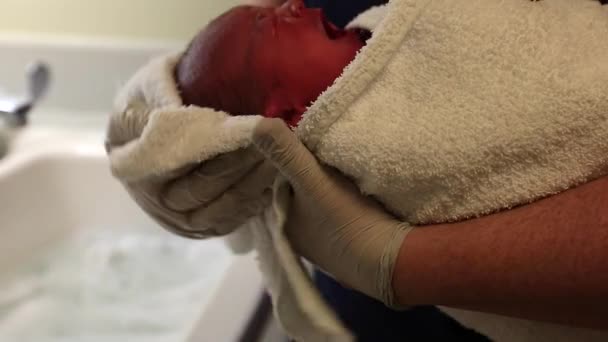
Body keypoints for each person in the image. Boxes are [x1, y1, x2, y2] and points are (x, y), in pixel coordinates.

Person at [106, 0, 608, 340]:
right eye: (272, 21)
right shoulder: (347, 128)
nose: (301, 8)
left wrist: (405, 263)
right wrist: (165, 117)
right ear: (284, 116)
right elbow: (253, 52)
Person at [174, 1, 488, 340]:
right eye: (265, 24)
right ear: (284, 117)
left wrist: (406, 265)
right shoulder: (361, 158)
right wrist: (165, 126)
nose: (293, 4)